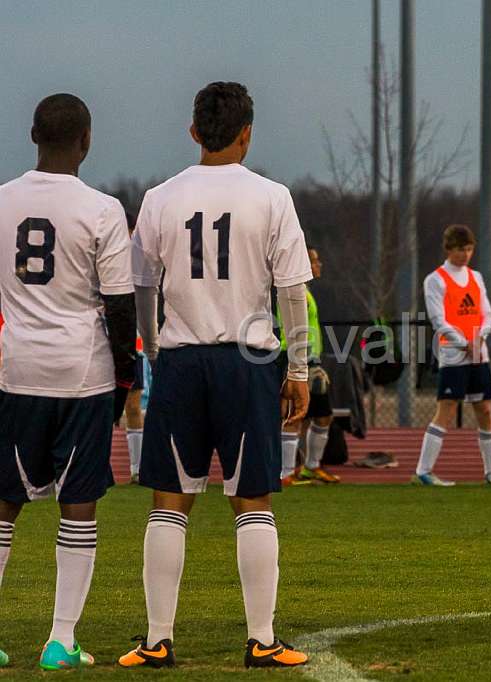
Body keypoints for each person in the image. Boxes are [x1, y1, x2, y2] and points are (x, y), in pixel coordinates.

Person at [119, 82, 311, 669]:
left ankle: (156, 640)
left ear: (194, 131)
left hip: (180, 359)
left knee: (169, 502)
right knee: (252, 499)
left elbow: (141, 287)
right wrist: (299, 367)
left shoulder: (159, 198)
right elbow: (291, 292)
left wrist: (154, 351)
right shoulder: (273, 196)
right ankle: (261, 638)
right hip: (247, 361)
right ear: (248, 132)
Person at [0, 94, 136, 669]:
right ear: (86, 140)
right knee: (78, 506)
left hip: (13, 371)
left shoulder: (1, 200)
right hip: (82, 376)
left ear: (33, 135)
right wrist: (126, 380)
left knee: (4, 505)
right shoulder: (103, 209)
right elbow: (122, 306)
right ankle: (61, 640)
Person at [416, 225, 491, 486]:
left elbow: (486, 313)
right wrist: (464, 343)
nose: (465, 254)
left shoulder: (476, 277)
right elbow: (438, 320)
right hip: (453, 355)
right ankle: (424, 470)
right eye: (460, 249)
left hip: (479, 353)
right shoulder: (435, 279)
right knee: (446, 409)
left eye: (469, 249)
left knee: (485, 409)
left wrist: (481, 338)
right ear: (448, 249)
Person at [279, 246, 339, 485]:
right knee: (296, 415)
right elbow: (292, 328)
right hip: (297, 358)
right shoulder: (295, 291)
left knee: (322, 416)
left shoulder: (305, 290)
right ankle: (285, 473)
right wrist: (302, 359)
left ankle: (310, 467)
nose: (319, 265)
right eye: (314, 260)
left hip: (309, 359)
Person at [123, 212, 147, 484]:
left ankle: (137, 469)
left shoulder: (139, 257)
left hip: (133, 344)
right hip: (104, 340)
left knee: (133, 403)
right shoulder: (108, 253)